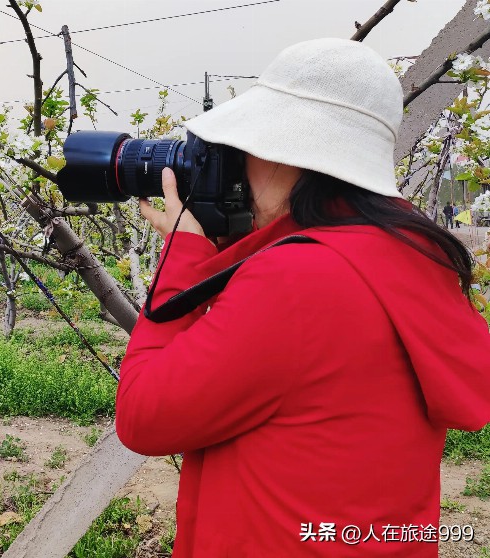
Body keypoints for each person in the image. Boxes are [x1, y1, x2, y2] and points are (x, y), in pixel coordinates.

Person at [115, 38, 490, 557]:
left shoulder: (298, 280)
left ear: (284, 155)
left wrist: (184, 260)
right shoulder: (418, 256)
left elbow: (143, 416)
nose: (239, 166)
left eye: (245, 150)